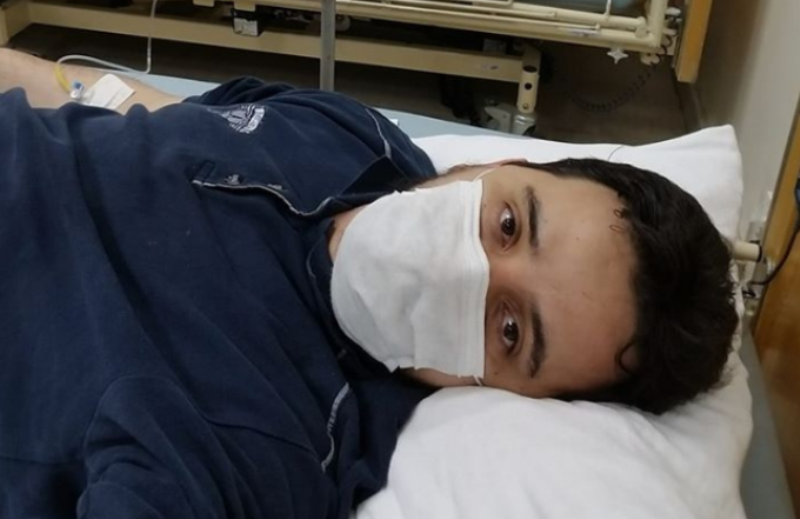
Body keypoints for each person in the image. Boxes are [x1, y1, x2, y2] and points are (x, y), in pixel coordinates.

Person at [0, 49, 738, 519]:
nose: (461, 268)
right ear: (494, 166)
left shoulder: (272, 442)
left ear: (506, 394)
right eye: (509, 224)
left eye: (510, 330)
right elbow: (121, 105)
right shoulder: (355, 134)